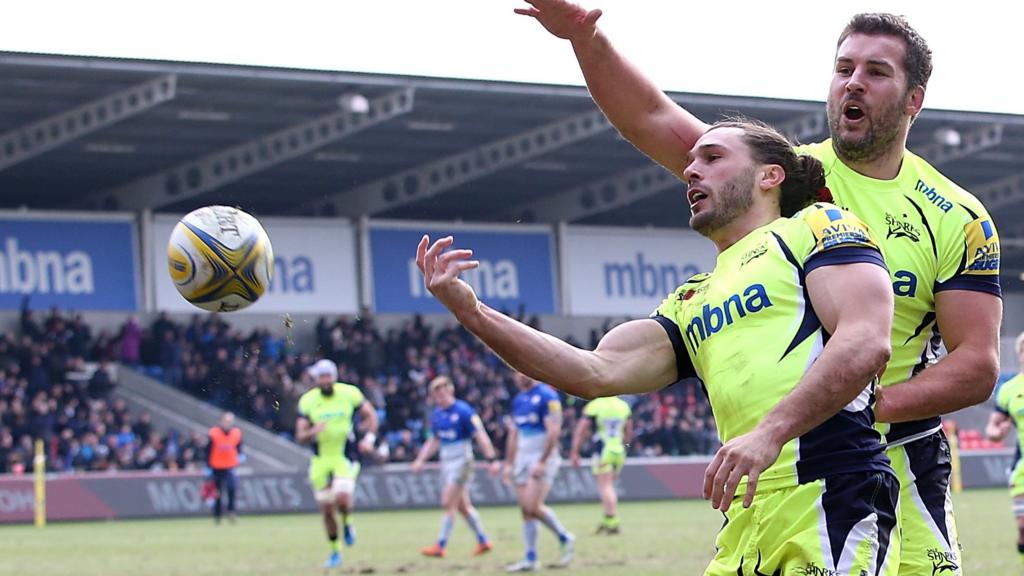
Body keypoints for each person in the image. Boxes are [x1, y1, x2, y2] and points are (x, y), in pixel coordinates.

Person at [514, 4, 1001, 572]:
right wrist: (585, 37)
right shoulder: (786, 179)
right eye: (844, 68)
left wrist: (856, 408)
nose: (853, 82)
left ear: (913, 99)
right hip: (797, 460)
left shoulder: (957, 216)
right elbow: (651, 117)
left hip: (904, 458)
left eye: (876, 71)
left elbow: (976, 364)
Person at [417, 118, 900, 574]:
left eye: (712, 157)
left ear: (770, 175)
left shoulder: (815, 227)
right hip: (747, 513)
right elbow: (593, 371)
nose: (691, 169)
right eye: (691, 161)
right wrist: (473, 313)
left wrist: (770, 432)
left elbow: (865, 340)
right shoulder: (693, 297)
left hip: (834, 491)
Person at [295, 359, 380, 570]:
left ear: (334, 377)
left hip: (345, 456)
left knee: (342, 498)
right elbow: (300, 435)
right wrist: (313, 431)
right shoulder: (308, 401)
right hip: (321, 459)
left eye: (328, 376)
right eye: (321, 377)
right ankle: (335, 550)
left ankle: (348, 522)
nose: (325, 380)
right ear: (316, 379)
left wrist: (369, 438)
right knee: (326, 509)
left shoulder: (350, 393)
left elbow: (371, 416)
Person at [412, 375, 501, 558]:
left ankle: (440, 545)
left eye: (443, 393)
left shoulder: (463, 411)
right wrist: (421, 459)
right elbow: (434, 440)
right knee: (463, 506)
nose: (440, 398)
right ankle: (483, 541)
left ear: (450, 391)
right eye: (437, 395)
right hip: (447, 462)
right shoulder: (437, 414)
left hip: (462, 462)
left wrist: (491, 459)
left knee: (448, 502)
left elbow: (480, 435)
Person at [502, 372, 575, 572]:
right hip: (522, 458)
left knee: (532, 506)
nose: (517, 375)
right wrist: (509, 463)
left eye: (520, 370)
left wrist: (542, 461)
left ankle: (564, 537)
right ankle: (531, 558)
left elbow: (553, 431)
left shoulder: (547, 396)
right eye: (515, 371)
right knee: (526, 511)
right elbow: (514, 434)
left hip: (541, 457)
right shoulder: (518, 400)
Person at [985, 332, 1024, 569]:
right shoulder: (1009, 390)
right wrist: (997, 433)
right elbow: (992, 427)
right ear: (1020, 354)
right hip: (1022, 470)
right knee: (1022, 527)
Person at [570, 395, 632, 534]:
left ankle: (612, 521)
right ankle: (607, 519)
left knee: (605, 486)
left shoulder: (596, 405)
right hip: (618, 450)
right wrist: (626, 447)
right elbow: (628, 432)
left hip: (603, 450)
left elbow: (582, 429)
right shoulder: (623, 406)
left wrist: (575, 451)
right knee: (610, 486)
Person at [206, 411, 243, 524]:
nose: (228, 423)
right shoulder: (213, 433)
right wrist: (207, 466)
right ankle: (217, 515)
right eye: (226, 421)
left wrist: (239, 458)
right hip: (216, 466)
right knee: (217, 492)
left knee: (231, 488)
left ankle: (231, 511)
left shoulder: (236, 433)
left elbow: (239, 448)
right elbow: (208, 450)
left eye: (230, 421)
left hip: (230, 466)